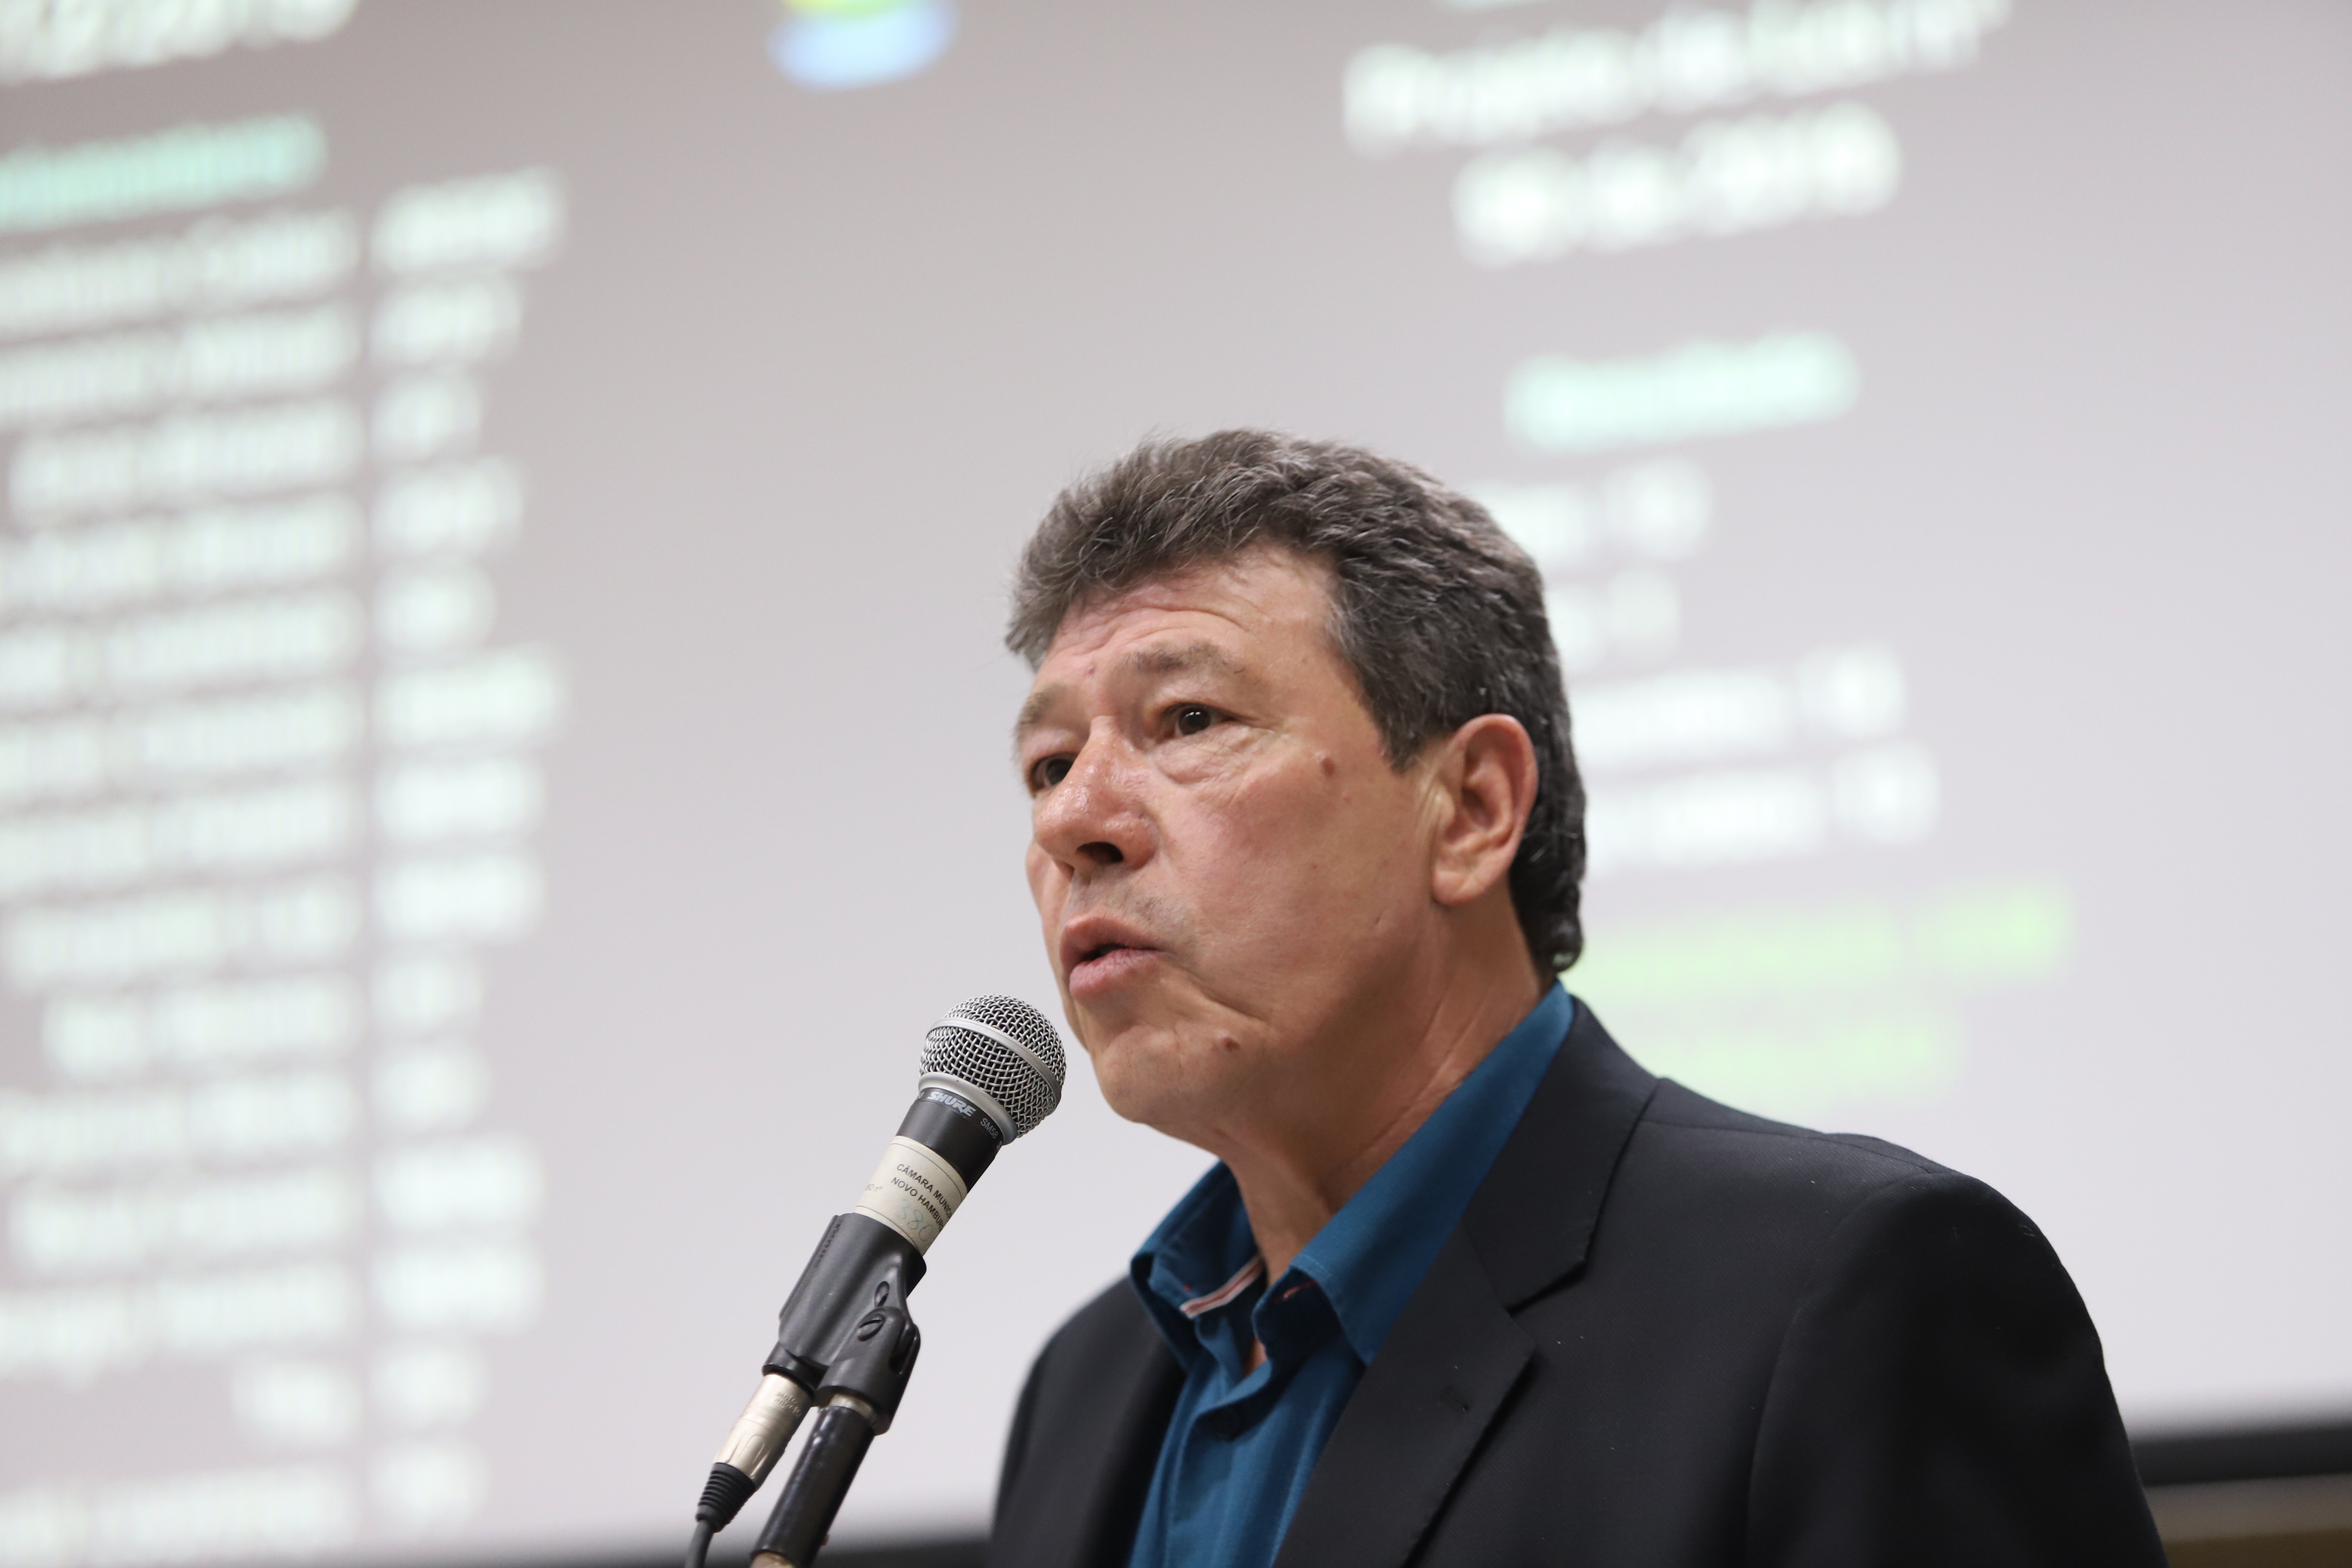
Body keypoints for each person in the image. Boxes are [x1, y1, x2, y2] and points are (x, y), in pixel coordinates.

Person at [989, 430, 2165, 1568]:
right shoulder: (1081, 1394)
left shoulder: (1849, 1296)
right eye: (1048, 765)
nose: (1072, 820)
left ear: (1473, 810)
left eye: (1190, 719)